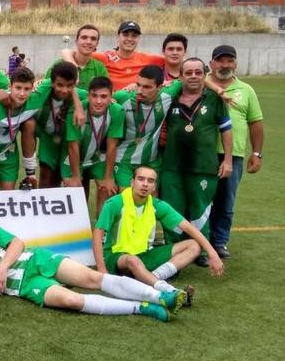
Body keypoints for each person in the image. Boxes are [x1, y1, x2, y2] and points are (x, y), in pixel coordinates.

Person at [0, 199, 181, 321]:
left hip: (35, 260)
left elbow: (17, 243)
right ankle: (144, 308)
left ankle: (160, 296)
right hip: (22, 286)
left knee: (93, 278)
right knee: (72, 300)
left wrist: (2, 268)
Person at [93, 166, 224, 305]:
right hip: (116, 257)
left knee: (194, 246)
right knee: (132, 261)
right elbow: (97, 235)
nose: (145, 184)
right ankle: (169, 291)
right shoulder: (114, 203)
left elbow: (188, 228)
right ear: (132, 182)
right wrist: (102, 270)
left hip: (143, 255)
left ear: (154, 187)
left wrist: (212, 253)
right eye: (141, 179)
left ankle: (152, 277)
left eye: (150, 181)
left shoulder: (156, 205)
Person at [160, 59, 233, 263]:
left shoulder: (214, 99)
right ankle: (172, 250)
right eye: (189, 72)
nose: (193, 76)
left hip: (204, 165)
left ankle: (201, 250)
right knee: (171, 209)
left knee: (199, 210)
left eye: (198, 72)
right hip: (172, 165)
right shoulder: (171, 98)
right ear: (181, 76)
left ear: (204, 76)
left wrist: (227, 160)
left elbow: (226, 130)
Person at [207, 45, 264, 259]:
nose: (225, 65)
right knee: (200, 201)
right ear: (211, 64)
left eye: (229, 61)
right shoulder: (201, 82)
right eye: (220, 61)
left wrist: (257, 153)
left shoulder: (246, 90)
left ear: (236, 64)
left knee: (226, 201)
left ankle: (219, 242)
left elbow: (256, 122)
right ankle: (199, 242)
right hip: (204, 153)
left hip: (234, 155)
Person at [0, 68, 49, 190]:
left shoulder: (34, 99)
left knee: (8, 198)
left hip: (8, 156)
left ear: (32, 88)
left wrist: (43, 80)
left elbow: (62, 76)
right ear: (10, 86)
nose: (22, 93)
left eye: (27, 89)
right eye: (18, 88)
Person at [111, 65, 183, 188]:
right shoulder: (123, 97)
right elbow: (99, 96)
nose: (139, 90)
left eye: (147, 87)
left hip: (151, 161)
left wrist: (219, 90)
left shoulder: (167, 95)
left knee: (151, 201)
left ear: (159, 87)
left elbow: (192, 77)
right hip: (124, 160)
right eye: (138, 85)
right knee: (128, 199)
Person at [61, 76, 123, 216]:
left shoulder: (117, 111)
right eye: (94, 96)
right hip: (72, 160)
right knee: (74, 193)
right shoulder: (77, 110)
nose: (98, 101)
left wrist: (108, 178)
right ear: (88, 95)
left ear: (111, 96)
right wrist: (76, 176)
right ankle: (77, 231)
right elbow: (72, 145)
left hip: (97, 159)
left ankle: (101, 232)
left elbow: (112, 145)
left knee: (108, 190)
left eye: (103, 96)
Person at [31, 61, 85, 189]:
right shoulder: (43, 88)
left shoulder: (81, 94)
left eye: (69, 86)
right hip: (47, 136)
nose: (64, 90)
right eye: (60, 85)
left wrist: (78, 104)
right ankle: (42, 204)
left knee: (61, 176)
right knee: (46, 174)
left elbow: (98, 98)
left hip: (66, 139)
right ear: (52, 82)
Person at [91, 21, 165, 91]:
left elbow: (172, 60)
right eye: (125, 35)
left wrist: (167, 82)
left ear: (139, 39)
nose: (129, 39)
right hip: (112, 100)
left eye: (134, 36)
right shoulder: (106, 57)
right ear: (117, 37)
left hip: (137, 99)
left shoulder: (148, 59)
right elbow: (81, 56)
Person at [50, 25, 108, 90]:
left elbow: (104, 93)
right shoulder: (59, 65)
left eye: (93, 39)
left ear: (97, 44)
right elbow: (47, 88)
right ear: (76, 41)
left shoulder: (100, 68)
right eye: (84, 37)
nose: (89, 42)